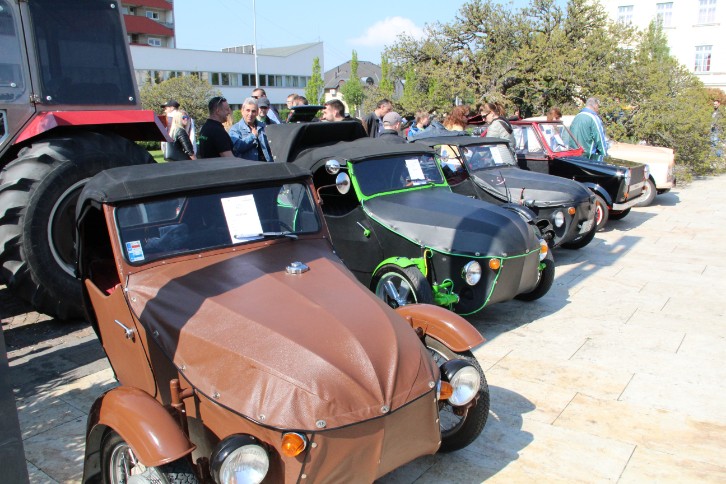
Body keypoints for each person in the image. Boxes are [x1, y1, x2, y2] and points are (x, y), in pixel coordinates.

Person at [229, 97, 273, 161]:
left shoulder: (263, 127)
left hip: (266, 164)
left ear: (257, 112)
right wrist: (252, 136)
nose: (250, 114)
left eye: (253, 111)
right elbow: (237, 147)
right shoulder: (235, 129)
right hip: (248, 166)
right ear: (242, 111)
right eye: (248, 110)